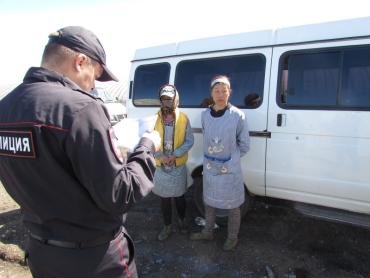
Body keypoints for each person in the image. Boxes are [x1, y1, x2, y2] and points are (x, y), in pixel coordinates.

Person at [0, 26, 160, 278]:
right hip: (94, 261)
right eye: (94, 76)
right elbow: (120, 195)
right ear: (80, 61)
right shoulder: (80, 107)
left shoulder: (5, 108)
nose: (93, 85)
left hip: (42, 254)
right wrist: (147, 147)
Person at [190, 75, 250, 251]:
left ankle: (232, 237)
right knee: (209, 202)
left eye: (224, 90)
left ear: (230, 92)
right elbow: (207, 137)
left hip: (229, 169)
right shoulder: (205, 114)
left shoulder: (238, 115)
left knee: (233, 206)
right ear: (211, 93)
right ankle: (208, 232)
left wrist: (230, 161)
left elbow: (245, 145)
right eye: (216, 91)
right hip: (210, 167)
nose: (220, 94)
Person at [152, 84, 194, 241]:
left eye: (169, 99)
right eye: (164, 99)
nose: (166, 102)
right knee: (164, 199)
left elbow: (190, 140)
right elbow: (149, 139)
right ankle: (167, 226)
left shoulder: (183, 118)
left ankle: (182, 222)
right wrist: (160, 155)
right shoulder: (154, 119)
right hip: (161, 165)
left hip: (177, 165)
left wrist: (175, 155)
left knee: (179, 197)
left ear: (176, 99)